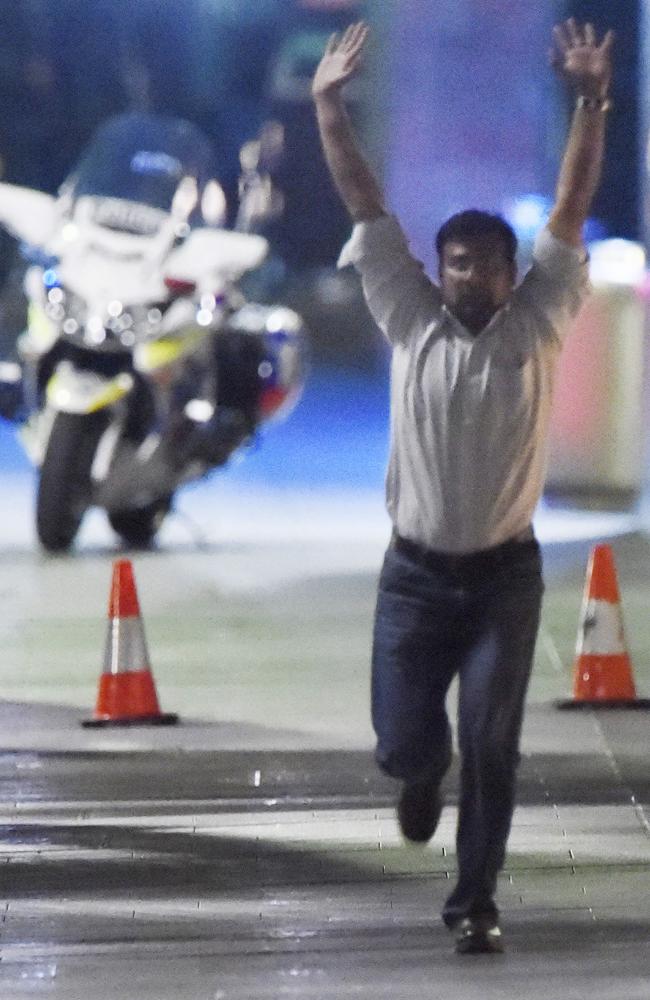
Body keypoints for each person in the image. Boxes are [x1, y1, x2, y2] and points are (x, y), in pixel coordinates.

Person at [312, 19, 613, 954]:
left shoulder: (540, 321)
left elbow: (570, 204)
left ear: (514, 274)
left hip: (502, 582)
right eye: (458, 263)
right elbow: (364, 200)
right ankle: (416, 768)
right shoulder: (410, 319)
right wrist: (329, 105)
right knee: (408, 742)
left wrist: (590, 99)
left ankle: (474, 900)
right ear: (437, 274)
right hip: (412, 578)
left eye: (489, 263)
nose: (474, 275)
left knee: (493, 744)